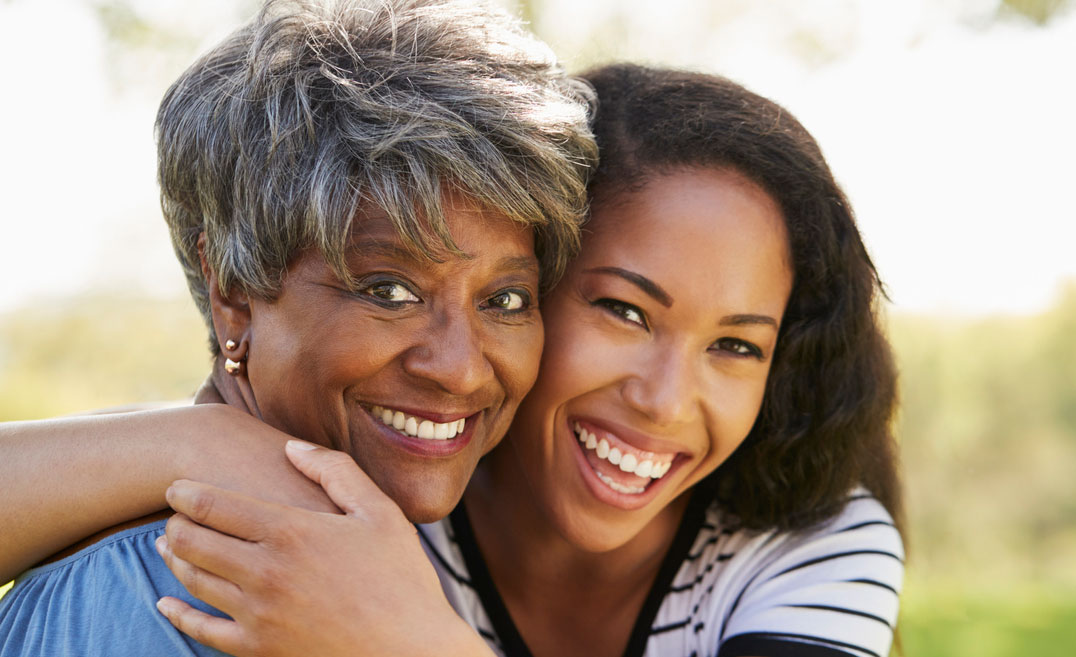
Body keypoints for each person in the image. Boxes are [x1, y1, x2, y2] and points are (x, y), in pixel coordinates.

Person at [0, 63, 903, 657]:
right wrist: (208, 446)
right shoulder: (408, 464)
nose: (666, 400)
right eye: (624, 310)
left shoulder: (805, 547)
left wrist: (406, 635)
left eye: (736, 345)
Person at [0, 0, 597, 654]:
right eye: (389, 291)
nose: (459, 366)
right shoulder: (172, 599)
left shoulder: (382, 565)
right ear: (234, 293)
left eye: (506, 299)